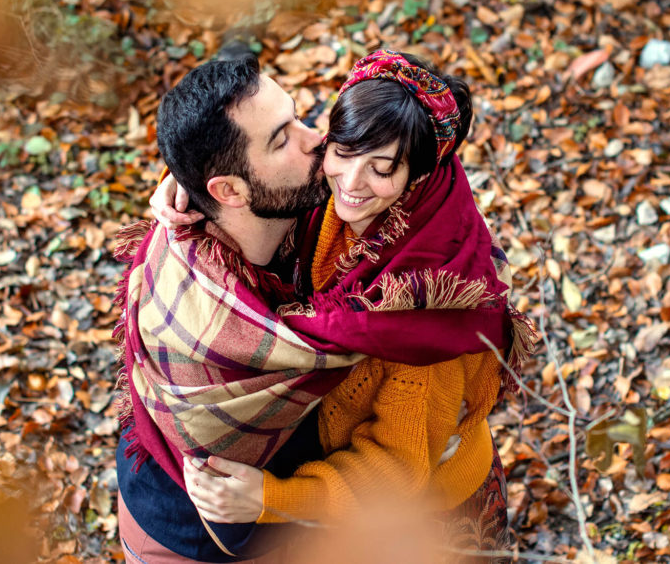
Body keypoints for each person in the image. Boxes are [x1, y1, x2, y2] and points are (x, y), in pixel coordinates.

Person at [114, 54, 525, 563]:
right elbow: (249, 176)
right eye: (342, 149)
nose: (350, 180)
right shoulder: (325, 195)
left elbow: (396, 471)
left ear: (417, 175)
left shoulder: (428, 313)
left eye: (382, 169)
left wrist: (270, 498)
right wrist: (188, 182)